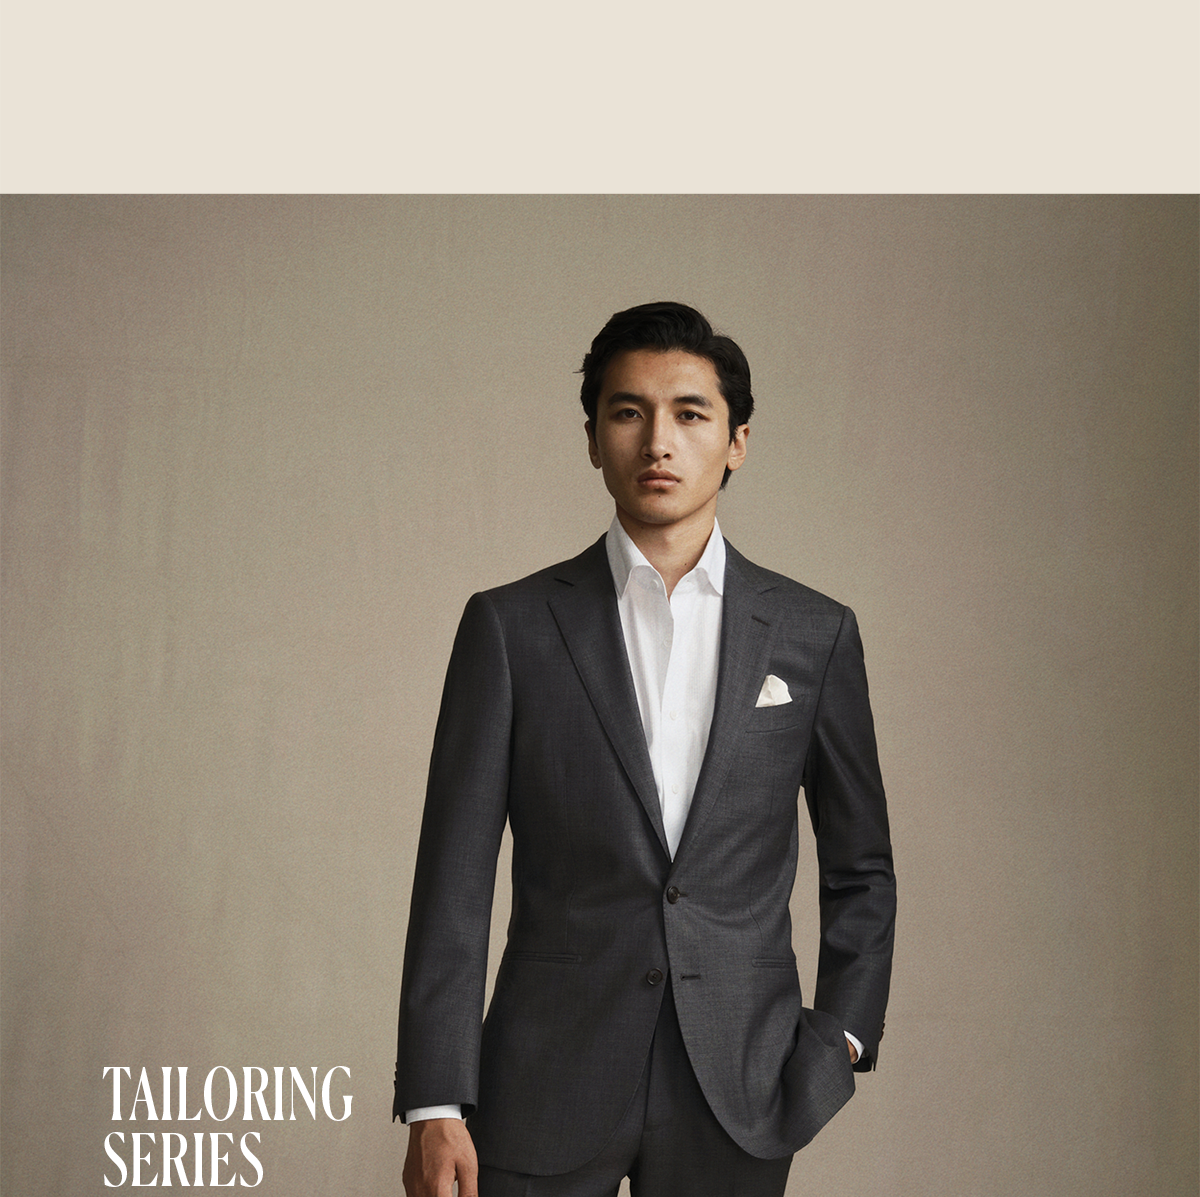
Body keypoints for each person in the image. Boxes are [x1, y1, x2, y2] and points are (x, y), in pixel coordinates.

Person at [393, 301, 895, 1197]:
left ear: (737, 442)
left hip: (742, 1085)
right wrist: (435, 1100)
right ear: (593, 439)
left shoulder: (813, 634)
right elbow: (454, 879)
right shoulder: (510, 628)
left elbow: (862, 867)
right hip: (543, 1077)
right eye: (628, 412)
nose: (658, 441)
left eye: (690, 414)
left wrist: (843, 1037)